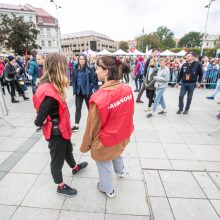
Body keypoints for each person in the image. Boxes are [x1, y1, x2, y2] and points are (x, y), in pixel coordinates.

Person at [33, 53, 88, 197]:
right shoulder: (49, 91)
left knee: (68, 150)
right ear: (58, 68)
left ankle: (75, 167)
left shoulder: (53, 85)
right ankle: (60, 186)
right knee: (57, 160)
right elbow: (38, 120)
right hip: (56, 133)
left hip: (62, 129)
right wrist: (44, 120)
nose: (67, 69)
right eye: (64, 67)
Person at [80, 56, 134, 198]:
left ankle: (107, 188)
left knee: (104, 164)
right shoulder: (127, 89)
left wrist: (85, 146)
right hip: (122, 134)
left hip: (105, 139)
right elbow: (129, 112)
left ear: (107, 72)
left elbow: (91, 127)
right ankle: (120, 171)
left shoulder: (99, 97)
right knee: (117, 153)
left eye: (98, 68)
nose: (95, 71)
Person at [72, 53, 99, 132]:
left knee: (90, 109)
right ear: (78, 60)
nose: (81, 60)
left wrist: (90, 89)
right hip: (78, 92)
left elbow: (94, 80)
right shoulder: (75, 69)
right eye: (80, 59)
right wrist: (75, 88)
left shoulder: (90, 69)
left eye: (83, 59)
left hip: (87, 92)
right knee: (78, 108)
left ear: (85, 60)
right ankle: (76, 125)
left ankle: (93, 124)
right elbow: (74, 80)